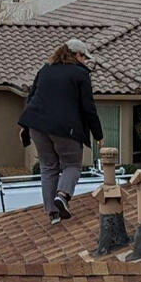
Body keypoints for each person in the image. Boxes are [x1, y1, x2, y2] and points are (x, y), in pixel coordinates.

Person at [19, 39, 104, 225]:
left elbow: (32, 97)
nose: (85, 62)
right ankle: (62, 196)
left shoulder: (45, 69)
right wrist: (98, 135)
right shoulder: (80, 75)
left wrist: (25, 127)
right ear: (77, 55)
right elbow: (88, 108)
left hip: (37, 126)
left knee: (48, 167)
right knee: (72, 165)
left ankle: (53, 213)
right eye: (84, 57)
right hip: (66, 129)